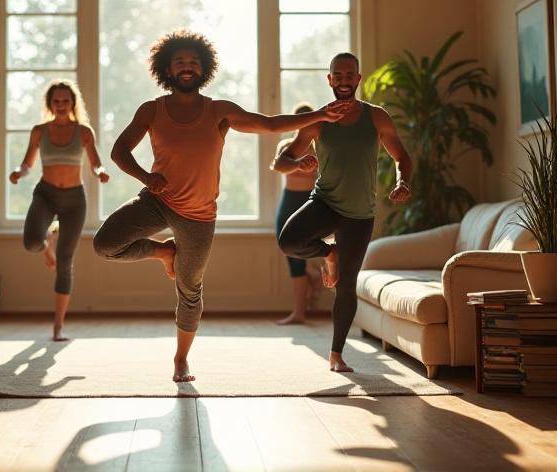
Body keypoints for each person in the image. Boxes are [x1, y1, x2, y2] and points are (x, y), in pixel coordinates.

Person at [93, 29, 351, 382]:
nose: (187, 67)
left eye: (193, 62)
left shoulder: (219, 111)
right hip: (157, 201)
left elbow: (269, 124)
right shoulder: (152, 110)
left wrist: (318, 115)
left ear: (204, 69)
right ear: (167, 69)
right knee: (105, 243)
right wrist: (144, 177)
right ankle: (163, 253)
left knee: (190, 290)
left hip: (198, 215)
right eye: (180, 62)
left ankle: (181, 359)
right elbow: (119, 152)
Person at [277, 52, 413, 373]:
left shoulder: (377, 118)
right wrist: (298, 163)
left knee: (347, 286)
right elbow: (284, 159)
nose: (343, 80)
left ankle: (336, 354)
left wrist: (403, 181)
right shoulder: (318, 121)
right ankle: (329, 253)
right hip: (324, 202)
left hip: (359, 215)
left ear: (358, 79)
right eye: (337, 75)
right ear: (329, 80)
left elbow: (401, 156)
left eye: (348, 74)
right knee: (289, 241)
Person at [9, 79, 109, 342]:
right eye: (57, 101)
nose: (61, 105)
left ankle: (58, 327)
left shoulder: (84, 131)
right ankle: (47, 242)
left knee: (65, 263)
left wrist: (101, 173)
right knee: (31, 242)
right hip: (46, 194)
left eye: (66, 101)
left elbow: (96, 163)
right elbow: (28, 163)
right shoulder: (39, 131)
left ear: (72, 103)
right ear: (50, 104)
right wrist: (19, 173)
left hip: (74, 200)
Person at [270, 102, 319, 325]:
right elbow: (278, 165)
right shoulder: (286, 145)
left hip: (308, 201)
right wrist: (298, 164)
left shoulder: (320, 146)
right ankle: (310, 271)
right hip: (288, 201)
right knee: (286, 245)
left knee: (298, 253)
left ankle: (299, 312)